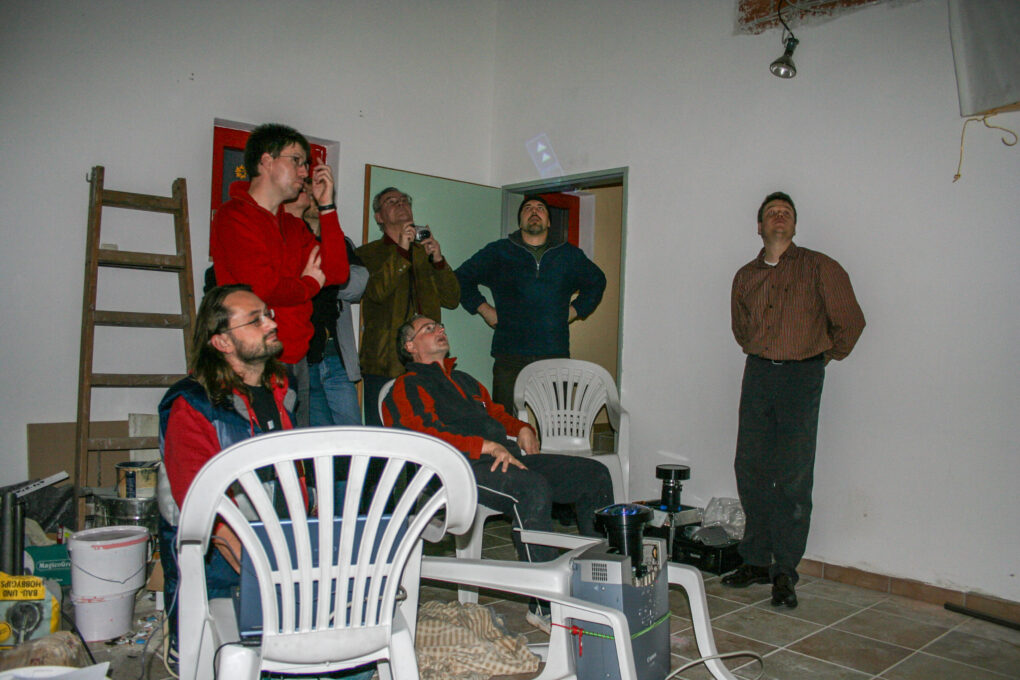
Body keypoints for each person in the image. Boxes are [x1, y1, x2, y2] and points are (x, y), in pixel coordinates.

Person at [381, 315, 614, 631]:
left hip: (503, 458)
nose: (440, 330)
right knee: (531, 488)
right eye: (428, 329)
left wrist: (523, 428)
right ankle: (544, 605)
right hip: (456, 470)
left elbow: (497, 415)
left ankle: (598, 581)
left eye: (440, 326)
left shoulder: (465, 381)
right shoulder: (407, 386)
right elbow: (421, 436)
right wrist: (484, 446)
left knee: (595, 475)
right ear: (410, 346)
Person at [725, 191, 865, 609]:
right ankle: (755, 560)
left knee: (793, 475)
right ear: (760, 226)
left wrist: (820, 357)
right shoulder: (745, 276)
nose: (779, 216)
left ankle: (784, 570)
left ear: (794, 225)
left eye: (785, 212)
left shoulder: (820, 267)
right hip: (758, 373)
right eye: (771, 212)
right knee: (750, 467)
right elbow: (741, 328)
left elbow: (851, 322)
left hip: (802, 376)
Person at [156, 284, 293, 669]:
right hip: (219, 572)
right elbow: (201, 507)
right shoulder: (192, 403)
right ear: (222, 342)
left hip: (278, 556)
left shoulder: (281, 390)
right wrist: (268, 574)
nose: (271, 323)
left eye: (268, 314)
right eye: (255, 320)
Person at [210, 123, 349, 422]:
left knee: (297, 449)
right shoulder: (233, 216)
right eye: (296, 160)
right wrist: (309, 284)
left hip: (297, 359)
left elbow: (337, 272)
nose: (304, 172)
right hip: (254, 360)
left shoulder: (293, 226)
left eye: (306, 164)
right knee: (262, 447)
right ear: (266, 161)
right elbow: (263, 289)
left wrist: (327, 207)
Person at [455, 194, 606, 413]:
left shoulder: (568, 255)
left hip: (553, 351)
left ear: (549, 221)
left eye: (540, 208)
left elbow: (597, 281)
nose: (534, 211)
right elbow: (460, 278)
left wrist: (575, 310)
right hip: (510, 353)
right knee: (504, 420)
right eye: (527, 208)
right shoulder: (499, 252)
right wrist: (484, 309)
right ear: (520, 221)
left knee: (556, 420)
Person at [356, 187, 459, 425]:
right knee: (384, 433)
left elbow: (452, 299)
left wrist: (438, 260)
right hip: (384, 362)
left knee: (429, 428)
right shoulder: (366, 254)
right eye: (391, 201)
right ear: (379, 217)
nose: (400, 203)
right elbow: (377, 292)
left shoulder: (424, 253)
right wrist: (402, 251)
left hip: (427, 360)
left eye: (404, 200)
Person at [283, 182, 368, 425]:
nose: (311, 197)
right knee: (316, 435)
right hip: (303, 354)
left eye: (315, 193)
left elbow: (357, 284)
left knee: (352, 432)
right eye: (305, 192)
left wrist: (316, 281)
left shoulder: (338, 240)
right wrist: (325, 281)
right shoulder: (288, 238)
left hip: (335, 352)